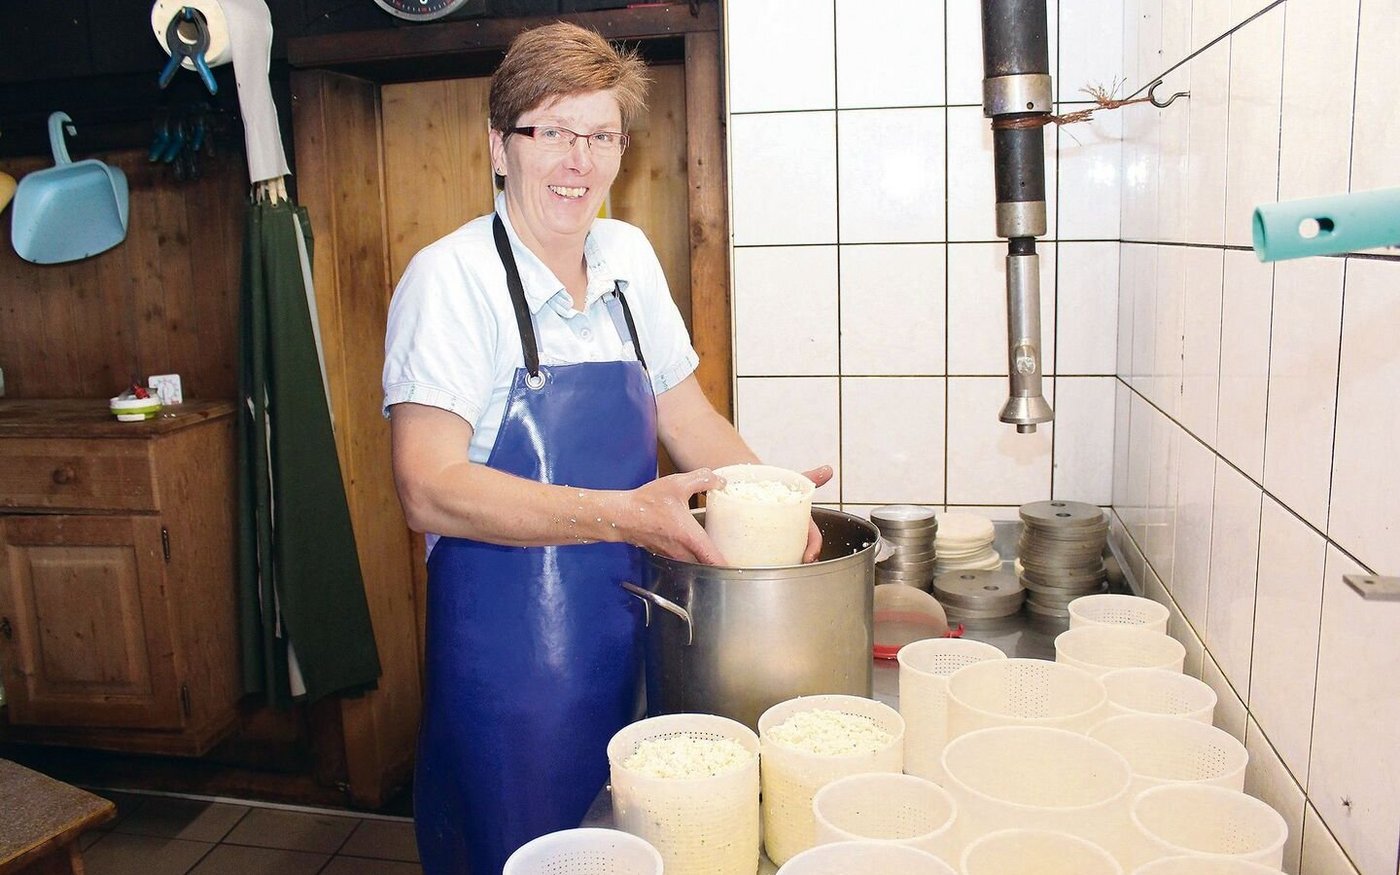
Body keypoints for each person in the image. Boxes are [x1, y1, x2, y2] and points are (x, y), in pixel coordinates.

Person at [381, 22, 830, 875]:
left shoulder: (627, 258)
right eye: (550, 132)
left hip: (634, 645)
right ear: (498, 148)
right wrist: (623, 514)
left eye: (600, 136)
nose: (576, 161)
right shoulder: (450, 281)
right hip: (509, 682)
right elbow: (427, 487)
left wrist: (774, 499)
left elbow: (688, 415)